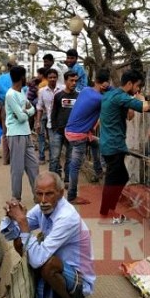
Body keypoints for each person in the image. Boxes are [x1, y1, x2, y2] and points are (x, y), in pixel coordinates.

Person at [1, 171, 95, 298]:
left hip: (79, 281)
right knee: (19, 241)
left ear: (60, 193)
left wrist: (22, 222)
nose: (43, 200)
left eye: (49, 194)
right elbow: (12, 234)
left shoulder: (67, 217)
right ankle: (39, 282)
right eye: (39, 194)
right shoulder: (41, 208)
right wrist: (12, 218)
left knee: (47, 263)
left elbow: (39, 259)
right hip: (57, 266)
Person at [98, 69, 150, 219]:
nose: (138, 89)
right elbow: (144, 107)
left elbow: (129, 116)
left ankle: (107, 208)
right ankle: (106, 210)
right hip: (114, 145)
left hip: (109, 143)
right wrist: (141, 98)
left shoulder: (110, 95)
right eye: (137, 86)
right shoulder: (121, 96)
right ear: (129, 83)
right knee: (114, 179)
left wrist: (131, 103)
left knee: (119, 177)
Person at [65, 69, 111, 204]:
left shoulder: (85, 90)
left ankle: (98, 170)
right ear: (104, 84)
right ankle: (72, 196)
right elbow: (114, 96)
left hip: (72, 131)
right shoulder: (100, 99)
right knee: (75, 166)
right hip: (78, 135)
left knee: (97, 143)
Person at [5, 66, 39, 201]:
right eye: (25, 76)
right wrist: (26, 111)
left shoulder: (21, 93)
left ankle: (38, 195)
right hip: (15, 134)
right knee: (17, 169)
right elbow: (23, 117)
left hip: (26, 133)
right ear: (21, 78)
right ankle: (16, 198)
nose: (27, 79)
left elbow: (33, 109)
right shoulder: (10, 95)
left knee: (33, 166)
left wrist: (25, 111)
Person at [49, 71, 78, 184]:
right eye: (71, 80)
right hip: (58, 132)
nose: (74, 83)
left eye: (76, 80)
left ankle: (67, 180)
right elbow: (53, 113)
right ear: (65, 81)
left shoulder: (79, 96)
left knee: (70, 158)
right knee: (54, 157)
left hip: (72, 133)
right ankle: (52, 181)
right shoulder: (58, 96)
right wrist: (55, 128)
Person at [0, 59, 17, 165]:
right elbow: (25, 90)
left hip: (5, 107)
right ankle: (15, 159)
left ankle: (6, 160)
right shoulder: (19, 78)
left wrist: (3, 98)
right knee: (16, 133)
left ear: (8, 67)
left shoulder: (1, 78)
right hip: (16, 107)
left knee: (6, 134)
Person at [35, 68, 62, 167]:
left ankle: (56, 165)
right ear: (47, 78)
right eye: (50, 77)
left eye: (54, 77)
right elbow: (39, 107)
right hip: (51, 123)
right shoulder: (42, 91)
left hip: (63, 124)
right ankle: (54, 168)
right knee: (52, 145)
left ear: (57, 78)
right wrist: (38, 122)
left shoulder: (62, 89)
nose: (52, 79)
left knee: (60, 148)